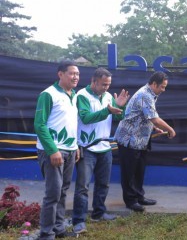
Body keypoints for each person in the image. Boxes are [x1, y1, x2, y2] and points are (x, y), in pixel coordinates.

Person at [72, 68, 130, 234]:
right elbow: (86, 118)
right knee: (83, 186)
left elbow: (118, 118)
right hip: (87, 147)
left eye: (109, 84)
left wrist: (120, 106)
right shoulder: (82, 95)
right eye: (103, 84)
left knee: (103, 183)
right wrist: (107, 110)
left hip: (105, 147)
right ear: (94, 81)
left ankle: (98, 213)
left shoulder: (108, 96)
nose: (106, 87)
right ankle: (79, 220)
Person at [114, 71, 176, 212]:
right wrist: (169, 129)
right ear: (154, 84)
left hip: (141, 139)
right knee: (129, 172)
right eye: (162, 87)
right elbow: (154, 117)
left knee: (139, 170)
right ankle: (130, 201)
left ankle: (139, 196)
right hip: (129, 139)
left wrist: (154, 128)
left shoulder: (151, 94)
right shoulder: (145, 95)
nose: (163, 90)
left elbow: (144, 116)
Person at [34, 60, 80, 239]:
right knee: (53, 193)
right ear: (60, 74)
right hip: (53, 151)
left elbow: (71, 124)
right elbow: (40, 125)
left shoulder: (73, 95)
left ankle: (59, 229)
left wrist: (75, 146)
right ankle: (46, 234)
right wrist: (53, 150)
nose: (75, 77)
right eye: (71, 73)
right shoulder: (48, 94)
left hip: (69, 150)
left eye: (77, 74)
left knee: (62, 191)